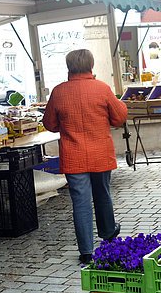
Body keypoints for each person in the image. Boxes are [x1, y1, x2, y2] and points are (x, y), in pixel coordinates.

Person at [42, 49, 128, 264]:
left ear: (68, 67)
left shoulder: (59, 92)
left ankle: (86, 251)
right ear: (91, 65)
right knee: (103, 194)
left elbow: (49, 124)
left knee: (80, 203)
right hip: (100, 152)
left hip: (74, 156)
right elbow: (118, 118)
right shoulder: (102, 89)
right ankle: (108, 234)